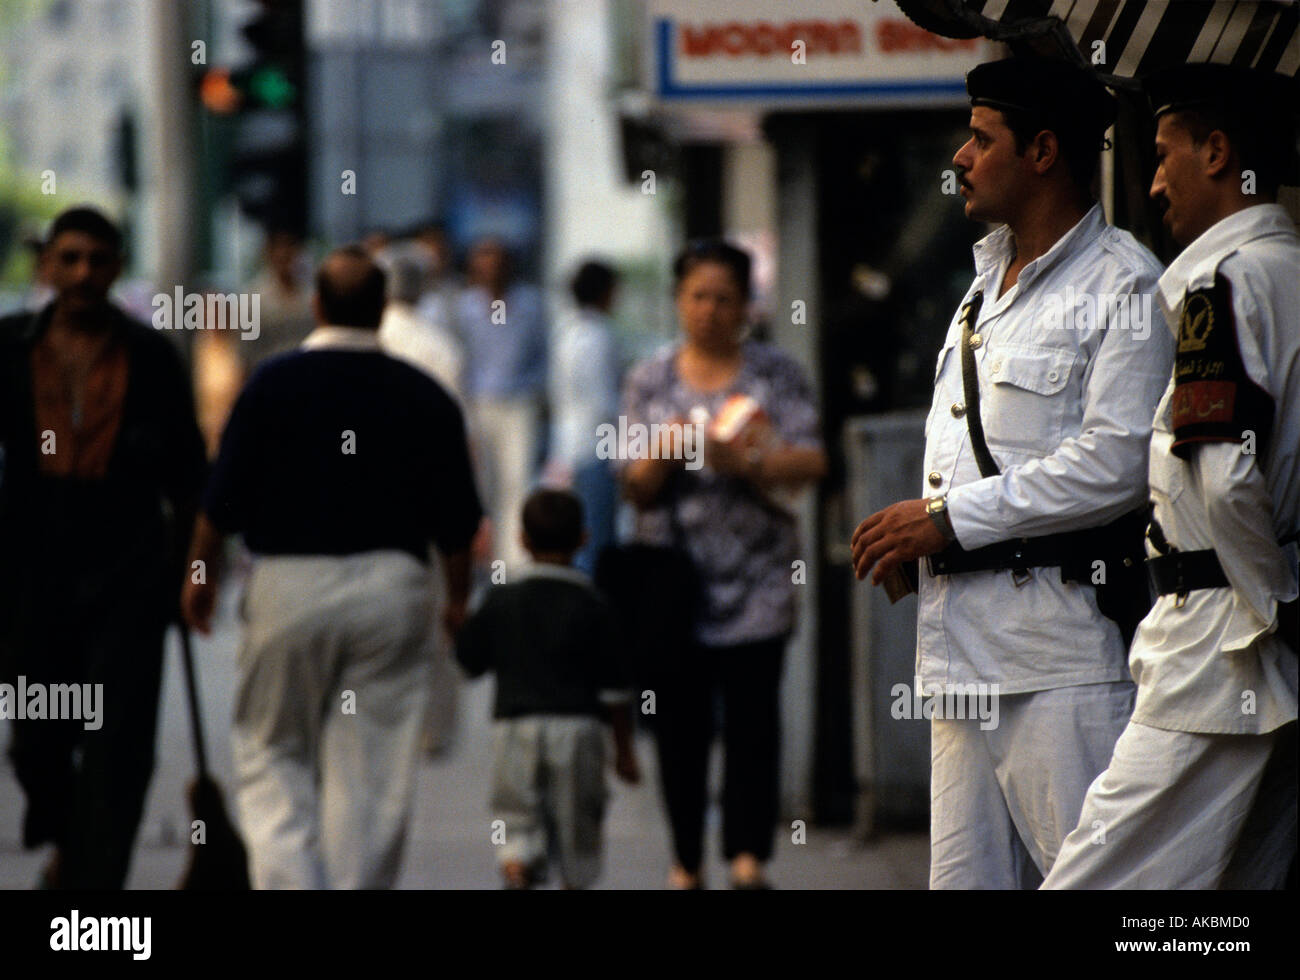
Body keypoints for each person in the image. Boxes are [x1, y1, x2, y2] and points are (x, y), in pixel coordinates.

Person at [850, 57, 1174, 889]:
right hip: (960, 656)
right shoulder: (981, 288)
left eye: (981, 138)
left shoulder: (1124, 280)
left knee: (1097, 885)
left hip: (1058, 662)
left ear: (1042, 152)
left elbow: (1119, 461)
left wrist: (949, 520)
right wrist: (925, 542)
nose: (960, 155)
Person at [1044, 65, 1298, 890]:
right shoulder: (1288, 270)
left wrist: (1277, 610)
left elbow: (1224, 475)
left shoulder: (1217, 282)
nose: (1152, 183)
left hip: (1222, 645)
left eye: (1163, 154)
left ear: (1217, 152)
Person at [180, 246, 482, 889]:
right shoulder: (424, 395)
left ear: (316, 305)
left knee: (271, 751)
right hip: (394, 591)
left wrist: (199, 578)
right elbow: (458, 522)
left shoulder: (270, 383)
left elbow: (219, 501)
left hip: (289, 586)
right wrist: (456, 602)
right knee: (371, 775)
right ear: (382, 310)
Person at [0, 206, 207, 888]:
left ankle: (95, 889)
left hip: (129, 570)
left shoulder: (150, 357)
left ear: (117, 267)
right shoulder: (9, 347)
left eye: (98, 259)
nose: (84, 272)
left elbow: (192, 478)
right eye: (70, 258)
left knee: (119, 743)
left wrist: (194, 571)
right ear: (48, 265)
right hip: (33, 568)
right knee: (38, 736)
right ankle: (67, 837)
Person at [619, 239, 827, 890]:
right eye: (697, 296)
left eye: (724, 298)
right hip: (675, 583)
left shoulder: (776, 374)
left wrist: (749, 462)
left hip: (761, 579)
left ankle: (747, 856)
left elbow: (813, 461)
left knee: (752, 720)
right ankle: (685, 859)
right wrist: (666, 454)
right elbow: (631, 483)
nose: (709, 310)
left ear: (746, 306)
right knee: (678, 727)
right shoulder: (649, 378)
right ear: (679, 302)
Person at [455, 488, 640, 888]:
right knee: (580, 826)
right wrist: (624, 753)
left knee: (516, 816)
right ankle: (573, 879)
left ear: (522, 539)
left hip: (514, 728)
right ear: (583, 539)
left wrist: (455, 623)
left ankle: (518, 866)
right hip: (579, 730)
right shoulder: (595, 605)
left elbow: (470, 661)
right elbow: (616, 692)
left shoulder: (502, 599)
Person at [453, 237, 548, 572]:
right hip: (479, 405)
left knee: (518, 482)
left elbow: (542, 354)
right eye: (484, 258)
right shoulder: (464, 308)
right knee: (482, 486)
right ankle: (483, 565)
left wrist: (537, 393)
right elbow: (460, 361)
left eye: (498, 259)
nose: (491, 267)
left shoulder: (530, 303)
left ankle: (514, 565)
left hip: (518, 403)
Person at [545, 260, 622, 575]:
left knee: (575, 537)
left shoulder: (566, 330)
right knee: (595, 539)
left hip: (566, 445)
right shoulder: (598, 335)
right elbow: (604, 401)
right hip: (595, 448)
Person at [240, 228, 314, 373]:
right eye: (280, 248)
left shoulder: (310, 296)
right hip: (269, 379)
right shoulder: (251, 299)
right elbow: (246, 355)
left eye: (290, 247)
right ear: (268, 253)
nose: (285, 253)